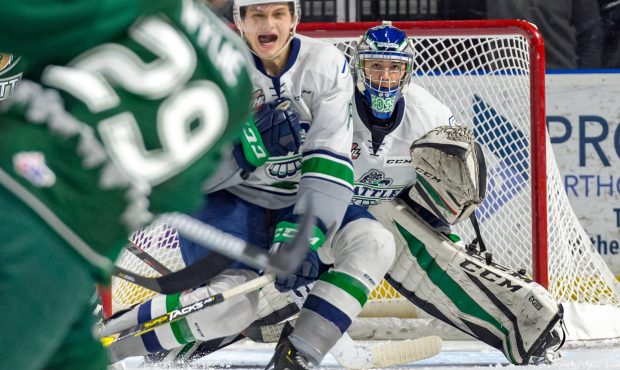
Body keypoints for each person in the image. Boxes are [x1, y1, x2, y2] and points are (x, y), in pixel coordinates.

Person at [266, 23, 565, 369]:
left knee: (426, 248)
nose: (384, 76)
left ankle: (521, 326)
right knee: (245, 301)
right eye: (376, 65)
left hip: (380, 225)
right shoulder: (329, 102)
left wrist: (443, 230)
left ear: (408, 71)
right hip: (311, 219)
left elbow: (439, 204)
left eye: (394, 67)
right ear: (359, 66)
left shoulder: (431, 117)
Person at [0, 0, 255, 369]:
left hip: (18, 190)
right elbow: (178, 194)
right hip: (79, 253)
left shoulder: (150, 4)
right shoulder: (241, 88)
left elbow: (16, 21)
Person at [101, 0, 355, 363]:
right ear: (240, 20)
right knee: (230, 307)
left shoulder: (326, 65)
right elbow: (178, 173)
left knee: (368, 242)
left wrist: (306, 234)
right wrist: (241, 153)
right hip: (226, 200)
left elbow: (330, 161)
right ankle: (103, 349)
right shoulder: (210, 64)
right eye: (257, 15)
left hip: (295, 204)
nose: (268, 24)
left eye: (278, 14)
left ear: (294, 18)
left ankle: (305, 345)